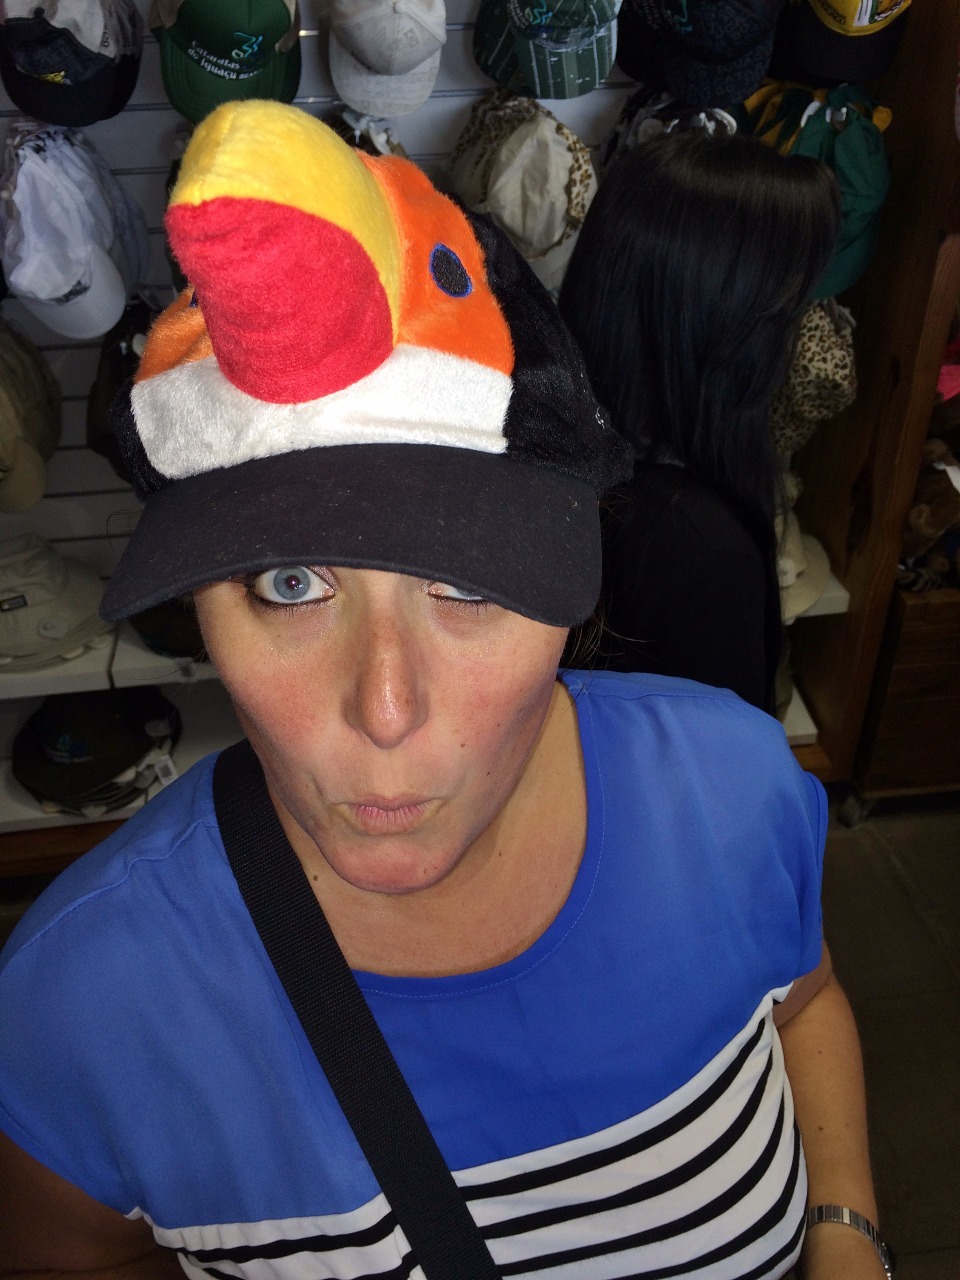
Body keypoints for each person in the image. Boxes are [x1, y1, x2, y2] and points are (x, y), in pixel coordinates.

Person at [0, 101, 888, 1280]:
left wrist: (845, 1232)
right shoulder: (81, 1002)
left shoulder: (731, 784)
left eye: (467, 581)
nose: (386, 707)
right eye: (290, 581)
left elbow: (805, 1000)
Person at [558, 130, 841, 713]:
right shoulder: (696, 550)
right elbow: (725, 761)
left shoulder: (570, 458)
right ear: (730, 335)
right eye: (787, 315)